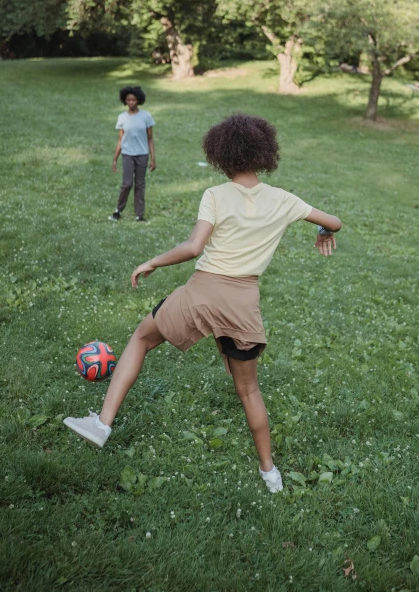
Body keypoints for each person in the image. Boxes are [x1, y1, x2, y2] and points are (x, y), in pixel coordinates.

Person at [66, 114, 341, 493]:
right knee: (248, 391)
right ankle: (270, 474)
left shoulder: (215, 195)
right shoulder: (284, 200)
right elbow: (335, 221)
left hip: (203, 292)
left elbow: (194, 247)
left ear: (220, 155)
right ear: (264, 154)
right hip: (243, 302)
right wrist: (324, 230)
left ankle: (101, 424)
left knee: (142, 339)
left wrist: (153, 261)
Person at [109, 85, 155, 222]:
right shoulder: (122, 117)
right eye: (128, 100)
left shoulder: (146, 116)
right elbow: (120, 139)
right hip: (127, 154)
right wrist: (115, 159)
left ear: (138, 100)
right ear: (125, 100)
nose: (131, 102)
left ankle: (139, 215)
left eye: (133, 100)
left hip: (142, 154)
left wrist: (153, 158)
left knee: (140, 184)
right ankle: (118, 210)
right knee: (127, 183)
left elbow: (150, 139)